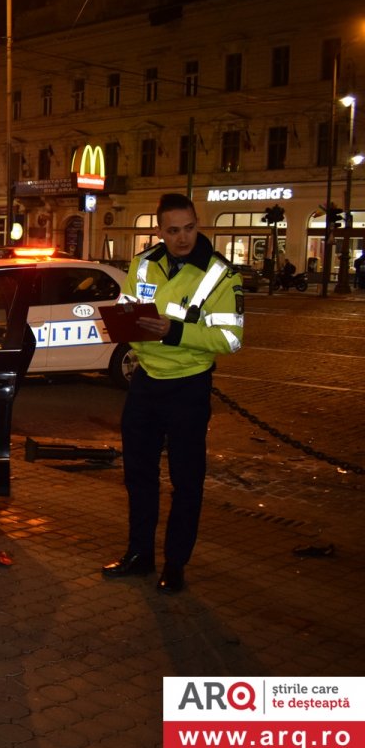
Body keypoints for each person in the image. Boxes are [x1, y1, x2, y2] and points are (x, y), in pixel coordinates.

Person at [102, 193, 244, 594]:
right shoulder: (144, 263)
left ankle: (176, 564)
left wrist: (174, 331)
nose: (183, 238)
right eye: (173, 230)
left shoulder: (221, 274)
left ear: (198, 225)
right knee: (138, 476)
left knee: (186, 481)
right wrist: (118, 322)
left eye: (189, 228)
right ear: (160, 231)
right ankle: (139, 555)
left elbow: (231, 339)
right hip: (145, 382)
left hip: (188, 386)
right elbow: (127, 305)